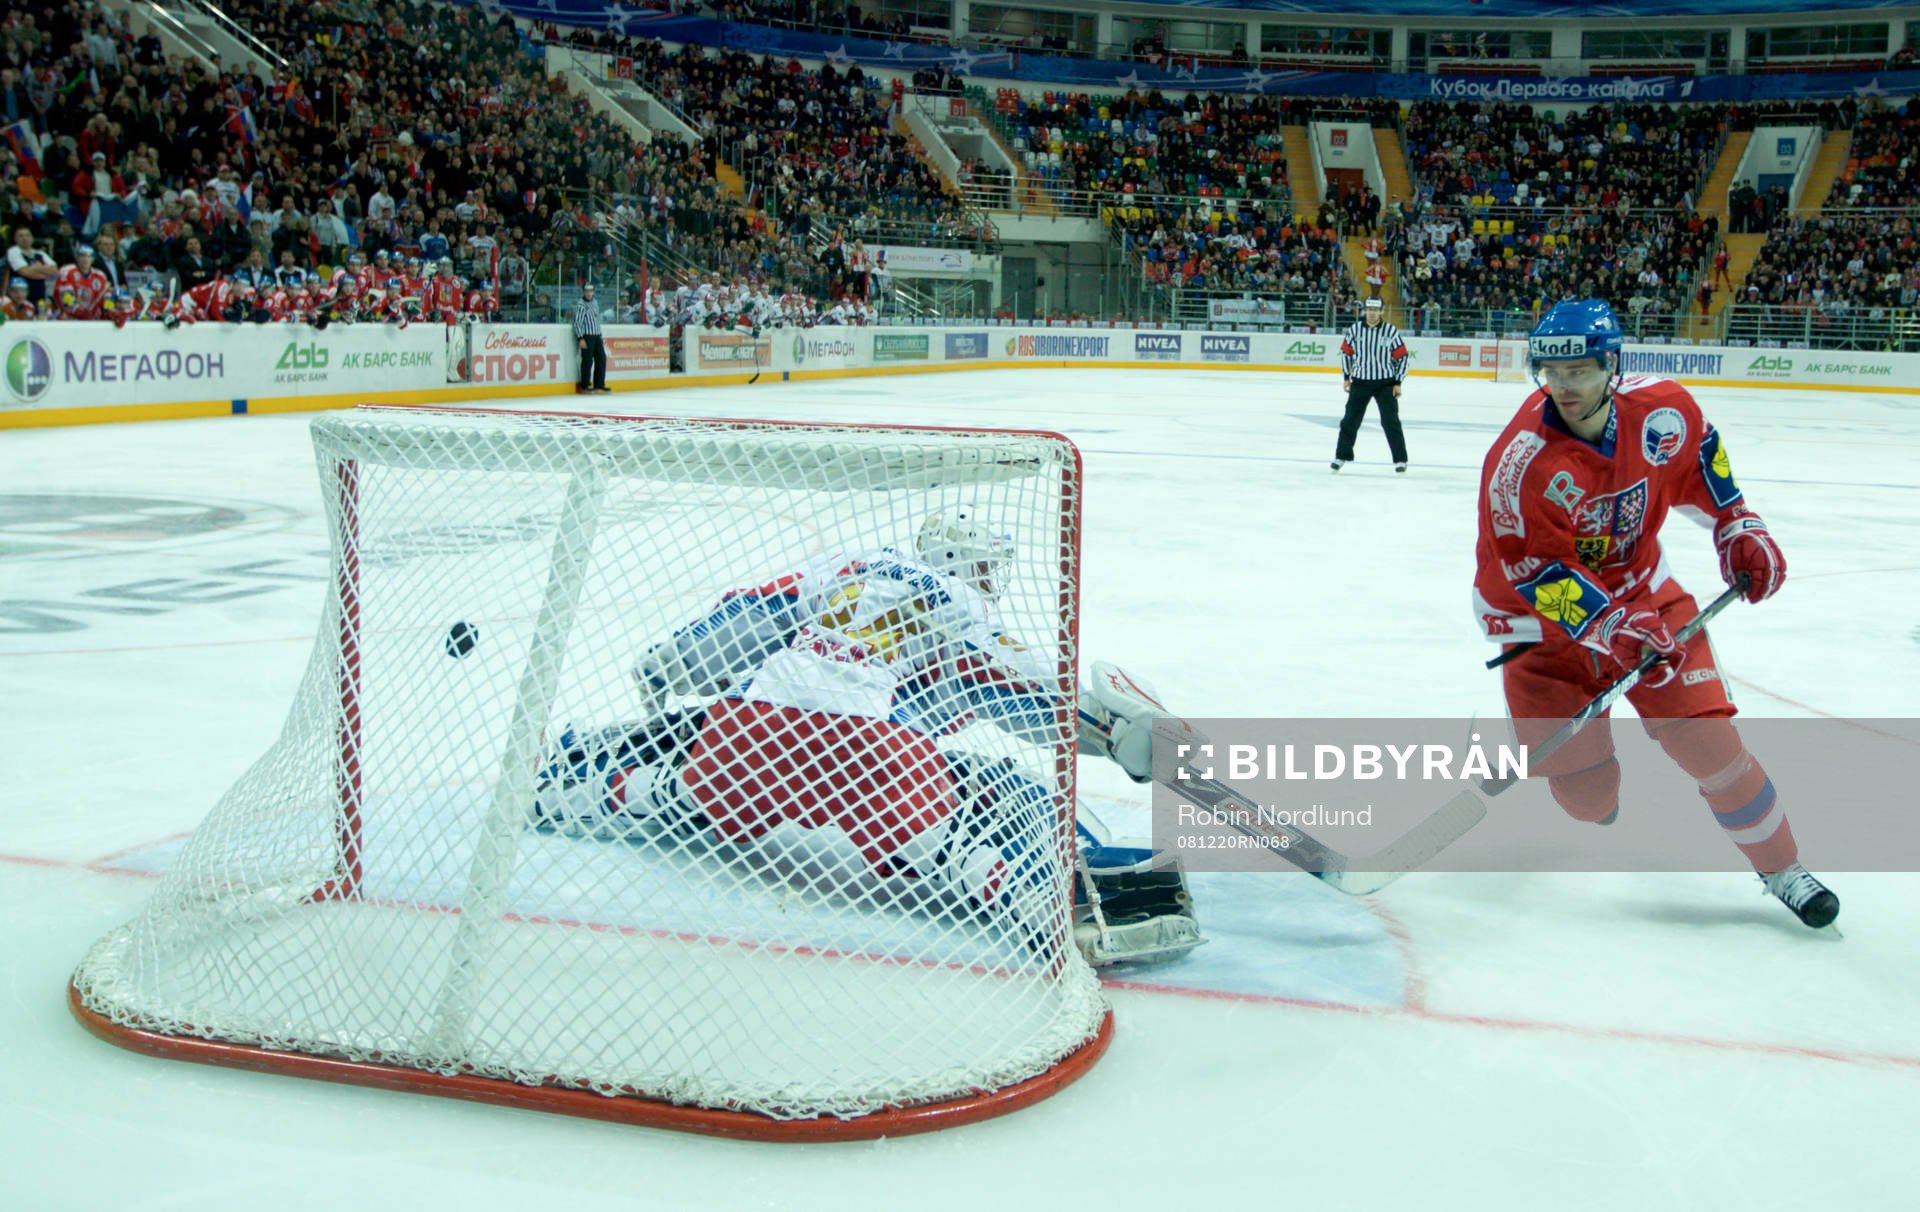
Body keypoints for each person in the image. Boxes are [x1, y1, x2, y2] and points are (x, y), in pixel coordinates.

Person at [530, 508, 1201, 966]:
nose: (994, 583)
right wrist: (1106, 730)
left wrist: (672, 660)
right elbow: (1017, 684)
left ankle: (555, 785)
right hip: (867, 757)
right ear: (960, 562)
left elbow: (747, 615)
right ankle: (1058, 911)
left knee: (674, 772)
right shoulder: (957, 608)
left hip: (757, 728)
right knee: (977, 820)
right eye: (988, 569)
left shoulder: (848, 567)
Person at [1472, 299, 1836, 928]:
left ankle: (1785, 870)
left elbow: (1703, 453)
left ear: (1612, 365)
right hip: (1542, 630)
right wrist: (1609, 627)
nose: (1562, 386)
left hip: (1643, 596)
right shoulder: (1519, 464)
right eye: (1551, 371)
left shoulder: (1662, 409)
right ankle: (1584, 778)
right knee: (1588, 800)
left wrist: (1735, 522)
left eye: (1579, 370)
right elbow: (1532, 571)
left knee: (1712, 748)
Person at [1332, 298, 1410, 473]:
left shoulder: (1390, 331)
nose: (1372, 312)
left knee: (1391, 422)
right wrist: (1346, 377)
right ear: (1365, 310)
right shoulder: (1355, 330)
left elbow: (1402, 357)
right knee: (1349, 420)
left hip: (1385, 383)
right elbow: (1346, 353)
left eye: (1376, 309)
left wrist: (1398, 382)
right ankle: (1341, 456)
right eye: (1369, 309)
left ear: (1381, 311)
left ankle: (1400, 460)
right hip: (1360, 382)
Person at [572, 282, 607, 393]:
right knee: (587, 360)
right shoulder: (581, 305)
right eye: (587, 291)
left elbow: (596, 320)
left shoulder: (595, 302)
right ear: (584, 292)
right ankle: (585, 385)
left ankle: (599, 383)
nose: (589, 293)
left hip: (596, 335)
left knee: (601, 358)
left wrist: (600, 334)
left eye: (590, 291)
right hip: (587, 336)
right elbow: (577, 322)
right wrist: (580, 338)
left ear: (593, 292)